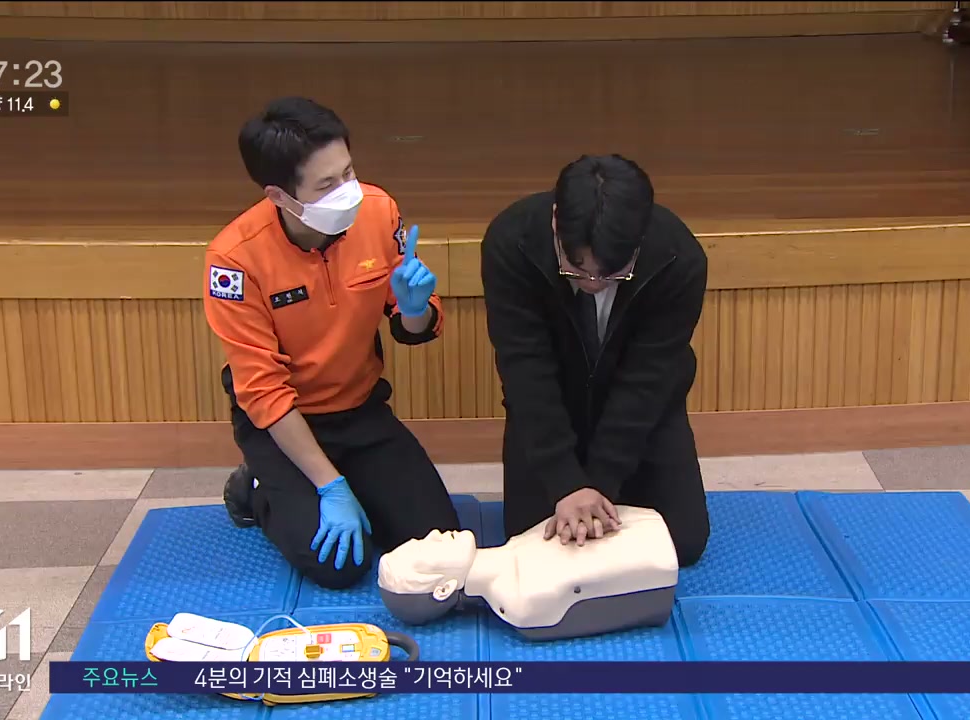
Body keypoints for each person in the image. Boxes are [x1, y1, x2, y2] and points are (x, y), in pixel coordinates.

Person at [203, 96, 459, 590]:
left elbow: (412, 327)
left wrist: (414, 309)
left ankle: (346, 478)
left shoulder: (379, 211)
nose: (348, 192)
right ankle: (255, 488)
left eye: (348, 173)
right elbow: (263, 392)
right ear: (280, 195)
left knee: (437, 544)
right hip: (283, 422)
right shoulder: (234, 259)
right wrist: (331, 485)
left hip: (359, 409)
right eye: (326, 185)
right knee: (339, 566)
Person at [480, 154, 710, 568]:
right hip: (552, 406)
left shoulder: (679, 258)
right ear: (556, 222)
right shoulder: (511, 242)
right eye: (576, 269)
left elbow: (648, 379)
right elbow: (525, 370)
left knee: (684, 541)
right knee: (532, 542)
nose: (593, 284)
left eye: (613, 274)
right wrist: (565, 482)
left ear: (640, 240)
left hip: (643, 412)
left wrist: (601, 482)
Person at [377, 506, 678, 641]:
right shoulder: (523, 601)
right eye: (424, 550)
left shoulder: (519, 543)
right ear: (444, 588)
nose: (433, 534)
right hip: (657, 554)